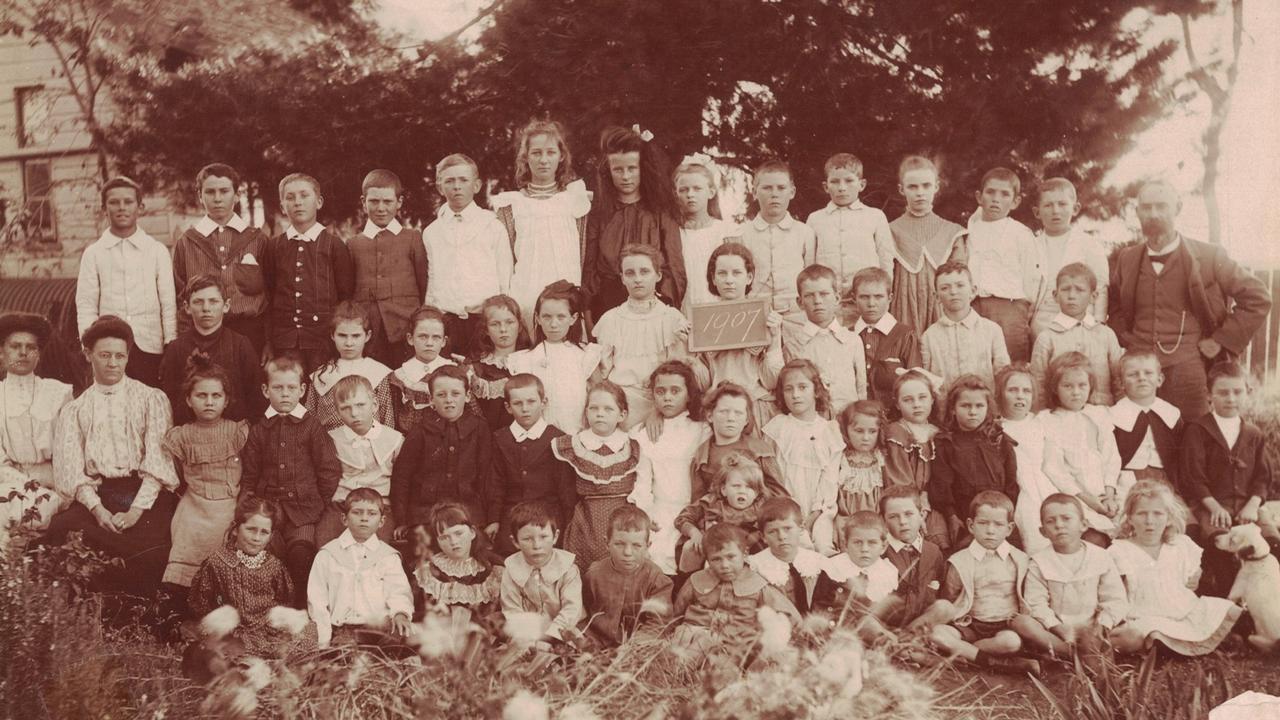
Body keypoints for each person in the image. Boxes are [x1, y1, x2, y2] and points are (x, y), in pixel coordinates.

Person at [1107, 179, 1271, 419]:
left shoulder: (1209, 255)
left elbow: (1258, 298)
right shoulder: (1127, 258)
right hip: (1139, 370)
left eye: (1162, 206)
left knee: (1192, 439)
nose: (1154, 214)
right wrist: (1128, 338)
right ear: (1138, 212)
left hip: (1189, 366)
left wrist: (1221, 340)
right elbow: (1115, 305)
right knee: (1139, 441)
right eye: (1147, 207)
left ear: (1178, 208)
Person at [46, 316, 179, 592]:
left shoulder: (151, 398)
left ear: (128, 357)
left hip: (145, 495)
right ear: (88, 354)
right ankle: (91, 616)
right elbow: (71, 469)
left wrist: (135, 512)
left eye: (120, 356)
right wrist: (97, 510)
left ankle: (137, 619)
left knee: (152, 548)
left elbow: (158, 460)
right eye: (104, 355)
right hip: (100, 494)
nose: (112, 363)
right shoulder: (75, 409)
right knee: (62, 530)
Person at [239, 353, 341, 603]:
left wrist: (319, 502)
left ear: (302, 390)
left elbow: (328, 469)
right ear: (265, 390)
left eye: (291, 388)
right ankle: (264, 606)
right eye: (278, 387)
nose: (285, 394)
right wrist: (249, 505)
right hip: (269, 510)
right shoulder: (259, 429)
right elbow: (250, 474)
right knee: (263, 553)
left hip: (304, 511)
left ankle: (298, 610)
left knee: (301, 555)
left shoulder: (312, 426)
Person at [1108, 481, 1241, 655]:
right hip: (1145, 616)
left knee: (1226, 610)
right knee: (1144, 634)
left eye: (1158, 514)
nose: (1150, 521)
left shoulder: (1180, 544)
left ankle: (1180, 644)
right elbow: (1114, 592)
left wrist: (1196, 574)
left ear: (1169, 517)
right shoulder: (1119, 550)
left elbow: (1191, 579)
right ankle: (1171, 646)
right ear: (1130, 518)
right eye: (1142, 514)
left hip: (1185, 611)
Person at [1180, 360, 1273, 596]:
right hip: (1210, 505)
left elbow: (1262, 477)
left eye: (1237, 391)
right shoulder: (1198, 430)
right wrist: (1213, 507)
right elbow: (1193, 477)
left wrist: (1253, 505)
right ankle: (1228, 610)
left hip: (1248, 507)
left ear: (1247, 393)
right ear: (1209, 395)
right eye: (1222, 393)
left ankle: (1266, 603)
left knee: (1271, 542)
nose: (1231, 398)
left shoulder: (1253, 434)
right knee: (1220, 545)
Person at [188, 496, 318, 660]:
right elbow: (201, 601)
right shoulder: (217, 562)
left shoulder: (273, 565)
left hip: (269, 629)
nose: (257, 538)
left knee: (309, 632)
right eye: (251, 529)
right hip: (236, 631)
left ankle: (277, 659)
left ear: (271, 536)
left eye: (264, 532)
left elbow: (285, 598)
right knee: (228, 653)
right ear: (236, 529)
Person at [75, 176, 177, 386]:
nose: (122, 208)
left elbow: (168, 303)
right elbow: (86, 304)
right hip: (108, 350)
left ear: (139, 206)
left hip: (149, 347)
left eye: (128, 202)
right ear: (104, 208)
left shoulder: (156, 250)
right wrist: (89, 344)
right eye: (114, 202)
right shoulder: (94, 253)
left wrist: (170, 343)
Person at [492, 119, 591, 333]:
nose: (543, 160)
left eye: (550, 152)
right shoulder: (511, 205)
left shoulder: (575, 200)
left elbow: (583, 252)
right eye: (536, 153)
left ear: (561, 155)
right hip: (526, 292)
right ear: (526, 157)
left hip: (567, 291)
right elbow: (505, 259)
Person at [161, 354, 250, 590]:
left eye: (216, 396)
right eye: (201, 395)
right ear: (189, 400)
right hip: (195, 506)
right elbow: (178, 473)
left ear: (226, 400)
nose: (209, 402)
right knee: (186, 533)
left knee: (233, 539)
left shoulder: (238, 432)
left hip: (228, 505)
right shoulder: (181, 436)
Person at [929, 491, 1041, 674]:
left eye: (998, 524)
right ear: (971, 525)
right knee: (936, 634)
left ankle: (965, 653)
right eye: (983, 523)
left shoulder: (1020, 560)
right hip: (969, 624)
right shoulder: (960, 561)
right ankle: (995, 662)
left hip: (1004, 627)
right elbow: (950, 596)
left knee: (1011, 642)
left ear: (1009, 528)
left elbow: (1026, 594)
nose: (990, 530)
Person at [585, 125, 686, 318]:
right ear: (608, 171)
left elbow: (674, 265)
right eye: (618, 170)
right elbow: (590, 268)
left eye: (632, 168)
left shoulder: (660, 211)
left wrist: (665, 304)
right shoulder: (599, 214)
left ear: (643, 168)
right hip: (608, 306)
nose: (625, 177)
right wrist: (590, 313)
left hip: (654, 303)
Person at [1018, 494, 1127, 666]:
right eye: (1051, 521)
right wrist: (1058, 627)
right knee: (1023, 623)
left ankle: (1074, 654)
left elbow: (1115, 599)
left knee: (1131, 634)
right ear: (1043, 531)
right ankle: (1075, 654)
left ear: (1083, 525)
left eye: (1066, 518)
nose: (1059, 525)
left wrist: (1102, 626)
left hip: (1095, 628)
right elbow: (1036, 604)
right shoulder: (1039, 562)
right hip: (1058, 632)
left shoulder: (1101, 556)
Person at [261, 173, 354, 374]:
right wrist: (269, 341)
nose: (298, 202)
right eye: (290, 197)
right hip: (285, 342)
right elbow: (268, 296)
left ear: (319, 202)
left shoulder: (334, 246)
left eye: (304, 195)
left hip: (323, 342)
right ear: (282, 206)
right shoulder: (274, 247)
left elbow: (346, 297)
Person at [171, 163, 268, 352]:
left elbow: (271, 295)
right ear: (200, 196)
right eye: (210, 192)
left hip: (250, 334)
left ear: (237, 195)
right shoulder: (188, 242)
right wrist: (185, 340)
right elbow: (180, 295)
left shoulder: (257, 240)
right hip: (202, 335)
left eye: (224, 191)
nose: (217, 199)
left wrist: (270, 342)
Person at [390, 365, 493, 540]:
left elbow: (488, 477)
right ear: (431, 399)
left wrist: (491, 519)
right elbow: (402, 477)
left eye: (455, 394)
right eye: (441, 395)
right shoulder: (420, 431)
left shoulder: (479, 429)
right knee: (423, 554)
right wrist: (402, 520)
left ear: (467, 396)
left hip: (469, 513)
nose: (448, 400)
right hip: (425, 515)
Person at [594, 244, 691, 429]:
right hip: (621, 406)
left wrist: (658, 409)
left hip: (664, 404)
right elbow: (603, 373)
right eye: (630, 273)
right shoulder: (610, 319)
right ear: (622, 278)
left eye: (645, 271)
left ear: (658, 275)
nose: (637, 279)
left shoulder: (672, 318)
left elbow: (679, 372)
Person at [671, 523, 799, 663]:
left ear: (744, 555)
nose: (725, 565)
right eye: (716, 559)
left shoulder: (757, 585)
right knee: (684, 653)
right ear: (707, 560)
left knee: (719, 667)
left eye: (731, 557)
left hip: (732, 646)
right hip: (692, 637)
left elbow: (790, 616)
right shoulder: (697, 580)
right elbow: (675, 613)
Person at [424, 155, 513, 358]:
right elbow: (432, 278)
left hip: (483, 320)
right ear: (439, 187)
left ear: (476, 185)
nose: (457, 187)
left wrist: (500, 316)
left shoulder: (491, 225)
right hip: (446, 321)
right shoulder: (432, 231)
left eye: (463, 180)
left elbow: (504, 278)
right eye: (449, 181)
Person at [628, 360, 708, 574]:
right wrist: (646, 514)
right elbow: (642, 481)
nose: (668, 397)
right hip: (659, 510)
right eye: (660, 391)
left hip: (694, 511)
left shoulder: (702, 430)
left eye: (676, 391)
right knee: (657, 556)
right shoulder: (642, 433)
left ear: (689, 394)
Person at [307, 488, 414, 648]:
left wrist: (400, 612)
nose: (364, 518)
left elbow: (398, 591)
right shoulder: (328, 555)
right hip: (344, 628)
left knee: (391, 656)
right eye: (357, 512)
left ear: (382, 521)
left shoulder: (387, 557)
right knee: (348, 662)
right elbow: (317, 599)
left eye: (372, 513)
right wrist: (324, 638)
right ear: (344, 518)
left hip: (380, 627)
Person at [693, 243, 786, 425]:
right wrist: (689, 353)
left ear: (749, 277)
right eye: (722, 273)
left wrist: (775, 340)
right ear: (713, 278)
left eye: (736, 273)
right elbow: (703, 384)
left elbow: (771, 381)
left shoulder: (763, 317)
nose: (729, 280)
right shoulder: (704, 320)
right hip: (717, 407)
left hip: (755, 406)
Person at [0, 313, 72, 543]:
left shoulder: (58, 393)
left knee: (32, 514)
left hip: (53, 484)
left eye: (31, 347)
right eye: (15, 346)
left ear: (38, 354)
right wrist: (24, 481)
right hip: (7, 482)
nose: (23, 352)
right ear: (2, 353)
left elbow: (68, 449)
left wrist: (47, 481)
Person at [553, 381, 639, 571]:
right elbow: (565, 489)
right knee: (584, 566)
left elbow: (641, 486)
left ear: (622, 414)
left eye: (608, 409)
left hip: (622, 516)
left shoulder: (631, 445)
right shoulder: (575, 445)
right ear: (586, 412)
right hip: (586, 518)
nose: (600, 413)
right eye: (594, 408)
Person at [1040, 352, 1123, 545]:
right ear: (1055, 388)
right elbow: (1054, 470)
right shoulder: (1048, 420)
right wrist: (1091, 502)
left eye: (1082, 385)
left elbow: (1112, 458)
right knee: (1094, 540)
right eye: (1067, 386)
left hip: (1107, 493)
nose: (1076, 392)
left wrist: (1109, 495)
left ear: (1091, 386)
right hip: (1075, 498)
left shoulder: (1099, 415)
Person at [349, 169, 429, 367]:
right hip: (369, 331)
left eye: (388, 201)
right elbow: (349, 289)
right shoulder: (353, 243)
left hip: (405, 327)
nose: (381, 208)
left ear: (399, 202)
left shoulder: (412, 238)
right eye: (374, 201)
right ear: (363, 202)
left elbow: (424, 283)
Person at [158, 275, 263, 424]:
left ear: (226, 306)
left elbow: (256, 399)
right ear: (187, 307)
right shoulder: (176, 349)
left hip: (234, 436)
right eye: (198, 302)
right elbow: (170, 400)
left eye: (213, 301)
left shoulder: (240, 345)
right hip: (188, 438)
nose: (206, 308)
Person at [764, 359, 843, 554]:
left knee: (823, 546)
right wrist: (789, 509)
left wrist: (814, 514)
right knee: (795, 547)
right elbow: (770, 473)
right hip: (784, 503)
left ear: (816, 390)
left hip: (820, 508)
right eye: (789, 389)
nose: (795, 395)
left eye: (802, 387)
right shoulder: (778, 427)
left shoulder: (828, 430)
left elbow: (830, 478)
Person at [803, 152, 894, 322]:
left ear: (862, 184)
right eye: (835, 182)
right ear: (825, 186)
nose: (842, 187)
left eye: (849, 181)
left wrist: (883, 298)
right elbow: (810, 266)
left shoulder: (875, 216)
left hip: (866, 304)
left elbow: (886, 261)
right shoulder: (815, 219)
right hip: (829, 305)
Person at [491, 373, 576, 555]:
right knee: (508, 555)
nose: (525, 409)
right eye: (518, 404)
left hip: (548, 519)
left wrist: (568, 525)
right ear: (508, 407)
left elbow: (566, 491)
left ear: (543, 403)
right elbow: (495, 484)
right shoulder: (500, 439)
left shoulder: (558, 439)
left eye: (531, 402)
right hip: (511, 517)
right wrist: (494, 520)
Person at [930, 375, 1019, 546]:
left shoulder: (999, 440)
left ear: (987, 408)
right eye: (965, 406)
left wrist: (1006, 514)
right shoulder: (946, 443)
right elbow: (942, 486)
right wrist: (952, 516)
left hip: (999, 516)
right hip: (965, 519)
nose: (973, 412)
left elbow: (1011, 483)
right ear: (953, 409)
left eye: (979, 406)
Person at [960, 168, 1037, 362]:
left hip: (1010, 307)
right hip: (974, 305)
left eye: (1004, 194)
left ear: (1015, 201)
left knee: (1010, 362)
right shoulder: (968, 231)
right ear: (979, 197)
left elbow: (1031, 276)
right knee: (976, 359)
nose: (996, 199)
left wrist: (1023, 308)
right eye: (990, 192)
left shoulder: (1021, 233)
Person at [318, 375, 403, 547]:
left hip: (380, 506)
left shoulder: (393, 439)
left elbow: (402, 480)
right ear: (338, 412)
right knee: (326, 544)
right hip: (342, 505)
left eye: (360, 405)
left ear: (374, 405)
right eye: (345, 408)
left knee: (377, 547)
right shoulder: (332, 439)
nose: (354, 413)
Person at [887, 156, 965, 337]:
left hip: (940, 305)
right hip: (903, 305)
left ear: (936, 187)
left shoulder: (951, 231)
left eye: (926, 185)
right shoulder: (890, 230)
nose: (920, 192)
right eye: (912, 187)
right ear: (901, 189)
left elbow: (960, 276)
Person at [1029, 263, 1122, 409]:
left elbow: (1119, 380)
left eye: (1079, 290)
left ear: (1093, 296)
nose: (1071, 296)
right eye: (1065, 289)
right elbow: (1038, 385)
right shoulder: (1046, 337)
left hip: (1102, 414)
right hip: (1060, 418)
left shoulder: (1106, 335)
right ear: (1055, 295)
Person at [781, 264, 868, 414]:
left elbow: (861, 390)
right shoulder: (793, 345)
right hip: (813, 423)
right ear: (800, 302)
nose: (817, 301)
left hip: (848, 422)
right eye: (809, 295)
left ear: (836, 298)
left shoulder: (852, 340)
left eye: (824, 294)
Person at [1028, 178, 1108, 339]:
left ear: (1076, 208)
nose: (1055, 211)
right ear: (1037, 212)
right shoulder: (1031, 245)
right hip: (1041, 321)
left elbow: (1101, 287)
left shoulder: (1089, 245)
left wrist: (1098, 323)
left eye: (1062, 204)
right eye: (1048, 205)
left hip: (1081, 321)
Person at [583, 504, 673, 646]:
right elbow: (584, 613)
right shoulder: (594, 574)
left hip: (638, 645)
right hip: (597, 641)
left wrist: (632, 648)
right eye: (619, 544)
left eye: (636, 546)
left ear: (647, 546)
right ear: (607, 543)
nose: (628, 553)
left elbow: (657, 624)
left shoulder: (656, 579)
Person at [500, 501, 584, 647]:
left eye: (543, 537)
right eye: (527, 539)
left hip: (564, 629)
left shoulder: (567, 568)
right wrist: (530, 640)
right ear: (515, 542)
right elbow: (512, 610)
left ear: (555, 536)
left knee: (574, 655)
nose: (537, 545)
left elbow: (572, 608)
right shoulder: (512, 569)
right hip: (527, 634)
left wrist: (552, 635)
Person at [303, 301, 395, 432]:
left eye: (356, 336)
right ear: (332, 335)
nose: (349, 343)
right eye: (342, 335)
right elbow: (310, 416)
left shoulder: (377, 372)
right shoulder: (322, 374)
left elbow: (387, 418)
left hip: (369, 444)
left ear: (367, 336)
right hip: (330, 444)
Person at [739, 159, 815, 317]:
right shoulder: (742, 234)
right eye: (767, 188)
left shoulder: (805, 232)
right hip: (754, 315)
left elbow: (811, 278)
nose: (774, 194)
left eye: (781, 188)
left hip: (796, 315)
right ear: (754, 192)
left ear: (792, 192)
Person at [921, 261, 1011, 394]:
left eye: (960, 285)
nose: (953, 292)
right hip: (944, 409)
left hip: (983, 408)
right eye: (945, 288)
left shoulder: (991, 330)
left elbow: (1002, 374)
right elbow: (926, 380)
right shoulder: (929, 336)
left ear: (973, 291)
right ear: (936, 297)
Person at [995, 364, 1056, 555]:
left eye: (1026, 391)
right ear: (1000, 394)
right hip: (1020, 490)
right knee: (1030, 521)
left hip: (1047, 485)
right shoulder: (997, 428)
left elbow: (1053, 462)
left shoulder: (1042, 423)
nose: (1020, 396)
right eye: (1012, 390)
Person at [882, 369, 947, 548]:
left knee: (939, 534)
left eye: (922, 397)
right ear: (897, 404)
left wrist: (928, 501)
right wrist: (918, 507)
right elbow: (898, 479)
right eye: (908, 400)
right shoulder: (896, 432)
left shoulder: (938, 433)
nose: (916, 404)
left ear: (932, 399)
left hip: (933, 502)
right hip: (904, 503)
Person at [674, 450, 767, 573]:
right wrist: (694, 533)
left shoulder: (761, 508)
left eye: (749, 487)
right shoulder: (711, 502)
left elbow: (769, 525)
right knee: (691, 547)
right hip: (712, 548)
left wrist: (751, 539)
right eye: (736, 486)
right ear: (724, 489)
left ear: (756, 493)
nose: (742, 491)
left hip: (746, 548)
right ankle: (686, 583)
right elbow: (683, 518)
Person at [691, 382, 788, 500]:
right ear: (710, 415)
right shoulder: (702, 455)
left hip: (757, 514)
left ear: (746, 419)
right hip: (717, 515)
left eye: (738, 413)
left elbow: (779, 495)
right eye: (724, 411)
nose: (731, 418)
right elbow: (697, 502)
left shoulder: (759, 450)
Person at [811, 512, 899, 639]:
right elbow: (820, 607)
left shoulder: (887, 572)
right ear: (845, 544)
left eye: (872, 543)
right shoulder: (834, 568)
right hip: (839, 630)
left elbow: (891, 614)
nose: (864, 549)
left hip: (876, 630)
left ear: (883, 547)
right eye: (857, 542)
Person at [417, 502, 503, 626]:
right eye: (444, 537)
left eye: (458, 533)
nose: (453, 541)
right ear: (437, 541)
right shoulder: (428, 572)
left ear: (472, 532)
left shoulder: (493, 568)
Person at [1110, 350, 1183, 489]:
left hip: (1164, 478)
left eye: (1148, 373)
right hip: (1127, 478)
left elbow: (1178, 456)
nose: (1141, 378)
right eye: (1133, 374)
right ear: (1121, 383)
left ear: (1160, 379)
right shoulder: (1114, 415)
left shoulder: (1171, 413)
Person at [674, 157, 739, 309]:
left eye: (697, 189)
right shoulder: (674, 233)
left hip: (719, 307)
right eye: (683, 190)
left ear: (710, 192)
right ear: (676, 194)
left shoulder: (725, 231)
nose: (690, 194)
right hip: (685, 307)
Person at [878, 485, 946, 629]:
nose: (902, 522)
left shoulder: (933, 552)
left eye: (908, 514)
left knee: (945, 608)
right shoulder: (879, 552)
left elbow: (938, 587)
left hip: (919, 624)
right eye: (893, 516)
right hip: (885, 625)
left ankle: (906, 639)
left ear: (921, 515)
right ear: (884, 521)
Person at [852, 267, 921, 404]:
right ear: (854, 299)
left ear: (890, 298)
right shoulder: (847, 336)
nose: (871, 304)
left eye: (878, 297)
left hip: (894, 415)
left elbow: (915, 383)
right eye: (864, 297)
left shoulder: (905, 335)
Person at [749, 497, 828, 615]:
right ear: (763, 536)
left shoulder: (817, 562)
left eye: (787, 529)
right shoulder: (755, 566)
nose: (782, 536)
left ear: (801, 529)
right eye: (773, 531)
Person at [388, 305, 457, 434]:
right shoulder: (400, 377)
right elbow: (393, 419)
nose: (429, 343)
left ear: (443, 341)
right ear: (410, 339)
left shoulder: (455, 372)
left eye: (436, 337)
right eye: (423, 337)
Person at [469, 295, 531, 433]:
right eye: (495, 324)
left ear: (519, 326)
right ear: (486, 330)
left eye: (509, 322)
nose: (503, 329)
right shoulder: (477, 369)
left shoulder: (531, 362)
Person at [835, 400, 886, 535]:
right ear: (846, 429)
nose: (865, 437)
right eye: (859, 431)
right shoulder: (841, 459)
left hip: (876, 520)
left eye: (872, 431)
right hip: (847, 519)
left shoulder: (880, 458)